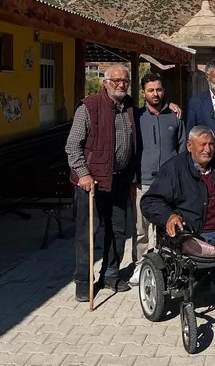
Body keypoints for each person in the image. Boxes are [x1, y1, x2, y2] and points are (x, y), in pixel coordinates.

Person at [65, 64, 136, 301]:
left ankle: (111, 274)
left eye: (125, 81)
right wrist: (83, 174)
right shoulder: (89, 106)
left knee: (117, 230)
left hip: (119, 179)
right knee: (87, 233)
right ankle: (83, 281)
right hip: (91, 182)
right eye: (116, 80)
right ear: (105, 83)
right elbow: (72, 146)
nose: (121, 84)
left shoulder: (129, 106)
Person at [141, 126, 215, 255]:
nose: (208, 150)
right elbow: (150, 201)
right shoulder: (173, 169)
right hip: (190, 236)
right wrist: (169, 216)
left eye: (211, 144)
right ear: (189, 146)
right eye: (202, 145)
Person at [129, 72, 186, 286]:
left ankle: (168, 263)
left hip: (169, 183)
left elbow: (182, 150)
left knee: (168, 225)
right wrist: (132, 180)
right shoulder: (135, 118)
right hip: (143, 181)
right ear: (143, 92)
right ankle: (140, 265)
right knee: (141, 228)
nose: (155, 94)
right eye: (151, 90)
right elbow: (131, 150)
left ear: (164, 91)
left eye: (159, 89)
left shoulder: (175, 116)